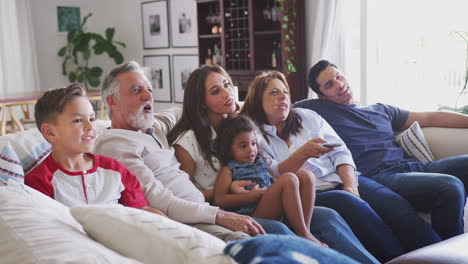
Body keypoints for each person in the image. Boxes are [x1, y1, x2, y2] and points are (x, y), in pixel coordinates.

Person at [167, 64, 379, 264]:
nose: (226, 93)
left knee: (327, 215)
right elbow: (185, 198)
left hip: (263, 195)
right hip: (230, 208)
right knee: (282, 227)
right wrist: (227, 189)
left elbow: (263, 168)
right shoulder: (189, 141)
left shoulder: (237, 126)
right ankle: (305, 239)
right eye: (215, 91)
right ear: (201, 101)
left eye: (227, 85)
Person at [241, 70, 437, 263]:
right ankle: (399, 259)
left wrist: (351, 185)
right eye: (274, 92)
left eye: (285, 91)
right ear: (258, 100)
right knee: (352, 205)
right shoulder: (253, 135)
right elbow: (272, 175)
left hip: (344, 178)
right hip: (311, 193)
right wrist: (304, 153)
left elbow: (340, 151)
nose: (282, 96)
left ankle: (438, 255)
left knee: (392, 203)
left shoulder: (306, 116)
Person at [297, 59, 467, 241]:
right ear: (322, 96)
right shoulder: (320, 110)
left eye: (339, 77)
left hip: (415, 168)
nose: (339, 84)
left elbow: (430, 118)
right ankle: (447, 253)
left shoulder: (381, 110)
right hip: (381, 177)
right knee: (450, 186)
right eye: (330, 85)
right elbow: (280, 106)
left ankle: (443, 252)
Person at [25, 84, 164, 217]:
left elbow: (141, 211)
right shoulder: (38, 182)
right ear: (50, 132)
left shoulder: (116, 169)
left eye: (91, 119)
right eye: (78, 120)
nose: (90, 127)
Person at [214, 115, 326, 246]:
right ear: (229, 148)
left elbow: (272, 180)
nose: (251, 149)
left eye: (253, 143)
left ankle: (304, 229)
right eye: (243, 146)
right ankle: (303, 233)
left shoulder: (260, 162)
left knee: (306, 175)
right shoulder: (229, 169)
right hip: (254, 213)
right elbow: (219, 200)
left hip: (271, 204)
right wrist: (250, 197)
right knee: (288, 178)